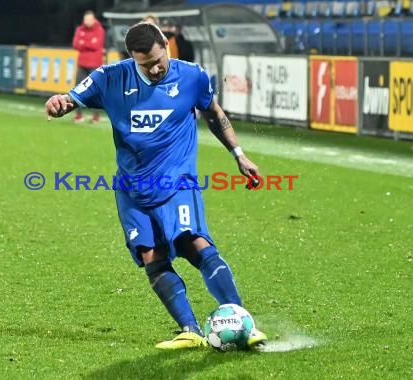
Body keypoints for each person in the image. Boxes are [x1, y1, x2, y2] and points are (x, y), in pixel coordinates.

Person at [45, 22, 267, 350]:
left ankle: (242, 322)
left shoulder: (193, 76)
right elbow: (71, 98)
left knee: (194, 242)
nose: (155, 68)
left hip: (176, 180)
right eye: (145, 64)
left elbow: (214, 114)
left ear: (166, 44)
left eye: (158, 59)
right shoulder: (110, 78)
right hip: (132, 187)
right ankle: (189, 330)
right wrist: (61, 103)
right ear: (132, 58)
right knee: (152, 255)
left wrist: (239, 154)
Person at [72, 10, 105, 123]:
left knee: (95, 90)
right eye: (85, 19)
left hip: (94, 64)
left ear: (94, 19)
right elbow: (75, 44)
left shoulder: (99, 30)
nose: (87, 22)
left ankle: (96, 116)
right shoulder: (79, 29)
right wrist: (88, 43)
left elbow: (95, 45)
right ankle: (79, 115)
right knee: (77, 90)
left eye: (89, 19)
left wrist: (83, 43)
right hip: (82, 64)